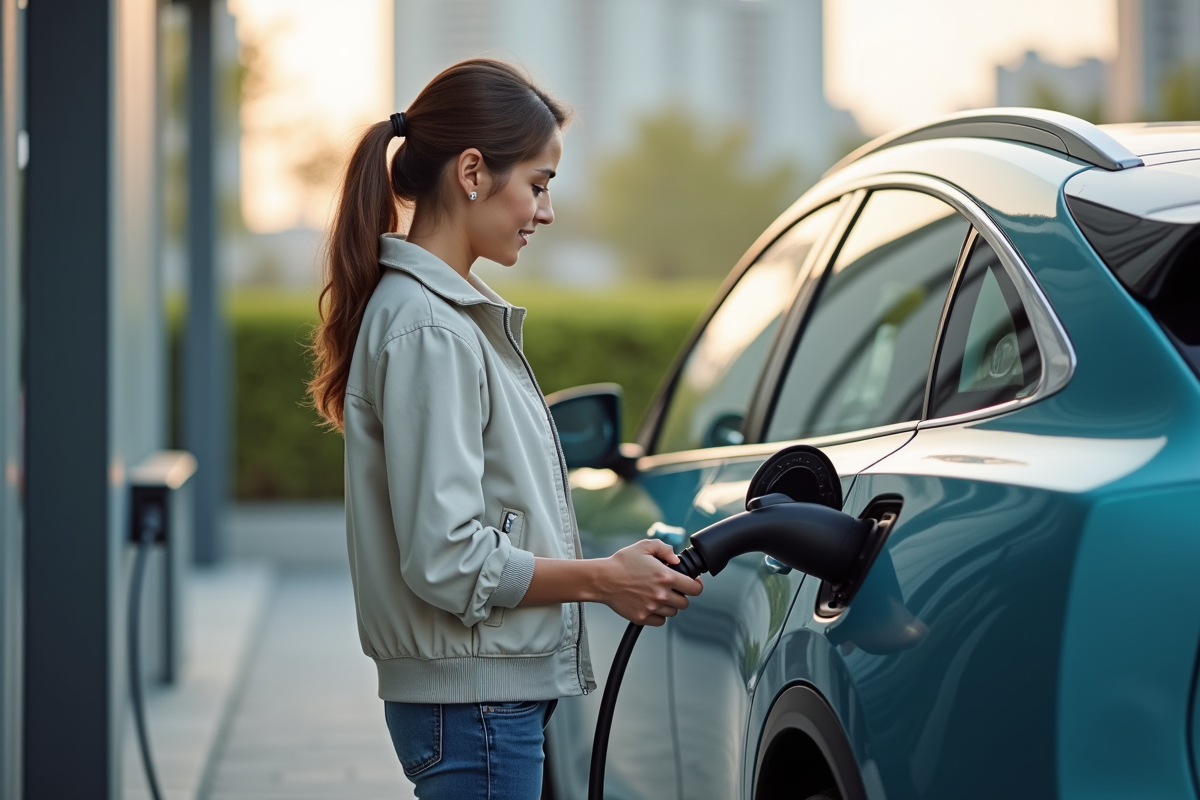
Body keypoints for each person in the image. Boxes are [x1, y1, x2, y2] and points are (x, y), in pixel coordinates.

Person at [307, 58, 704, 800]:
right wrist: (602, 580)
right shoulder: (430, 327)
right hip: (475, 708)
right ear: (471, 172)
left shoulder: (441, 316)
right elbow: (448, 557)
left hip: (477, 704)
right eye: (539, 184)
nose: (545, 211)